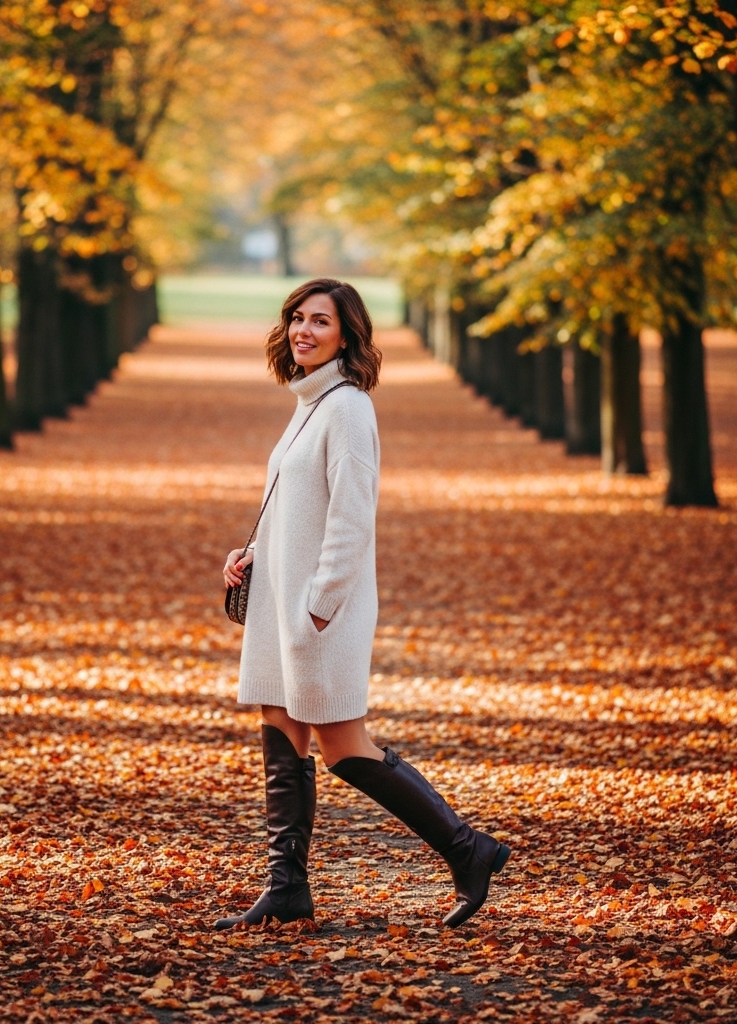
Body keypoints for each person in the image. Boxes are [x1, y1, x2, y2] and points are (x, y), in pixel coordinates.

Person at [217, 278, 509, 930]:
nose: (303, 330)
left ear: (347, 333)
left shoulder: (347, 407)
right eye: (296, 317)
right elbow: (299, 508)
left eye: (320, 321)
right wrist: (252, 553)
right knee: (281, 726)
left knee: (343, 743)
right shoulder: (310, 402)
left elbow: (351, 518)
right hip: (283, 599)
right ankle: (286, 887)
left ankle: (469, 849)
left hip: (321, 609)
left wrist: (318, 607)